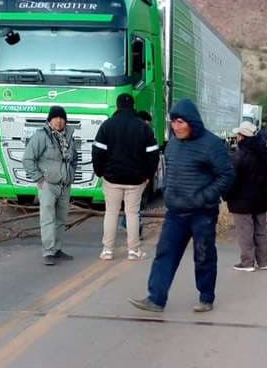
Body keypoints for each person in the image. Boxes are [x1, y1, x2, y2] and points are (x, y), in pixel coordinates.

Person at [129, 99, 234, 313]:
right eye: (173, 122)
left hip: (202, 212)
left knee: (203, 255)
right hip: (176, 211)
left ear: (192, 122)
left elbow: (227, 175)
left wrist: (205, 196)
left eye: (180, 122)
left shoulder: (211, 144)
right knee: (164, 254)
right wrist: (167, 190)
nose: (175, 127)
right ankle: (156, 299)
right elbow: (169, 169)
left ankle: (206, 297)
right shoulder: (174, 143)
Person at [92, 94, 159, 261]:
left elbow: (98, 151)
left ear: (117, 105)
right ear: (133, 106)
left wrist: (100, 172)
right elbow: (153, 154)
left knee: (111, 213)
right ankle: (133, 250)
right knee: (132, 214)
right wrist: (148, 176)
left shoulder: (108, 125)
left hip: (112, 178)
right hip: (136, 179)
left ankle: (107, 250)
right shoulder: (143, 127)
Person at [23, 105, 78, 266]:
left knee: (61, 219)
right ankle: (48, 251)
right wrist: (39, 178)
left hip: (64, 184)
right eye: (56, 118)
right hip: (48, 184)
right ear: (49, 119)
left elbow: (74, 158)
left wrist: (71, 174)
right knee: (48, 218)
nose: (59, 121)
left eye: (62, 118)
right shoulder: (41, 136)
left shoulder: (69, 135)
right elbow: (27, 159)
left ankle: (57, 249)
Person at [226, 122, 267, 271]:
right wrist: (262, 187)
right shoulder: (264, 154)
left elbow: (231, 179)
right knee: (260, 231)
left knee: (245, 232)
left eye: (238, 135)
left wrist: (227, 196)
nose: (237, 137)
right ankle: (263, 262)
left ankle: (247, 263)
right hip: (260, 199)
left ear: (242, 136)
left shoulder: (239, 156)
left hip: (241, 202)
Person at [120, 109, 154, 240]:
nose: (148, 126)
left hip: (128, 173)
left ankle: (127, 223)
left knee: (132, 202)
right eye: (147, 123)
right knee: (135, 203)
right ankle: (133, 228)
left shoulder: (128, 133)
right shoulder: (141, 134)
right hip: (136, 175)